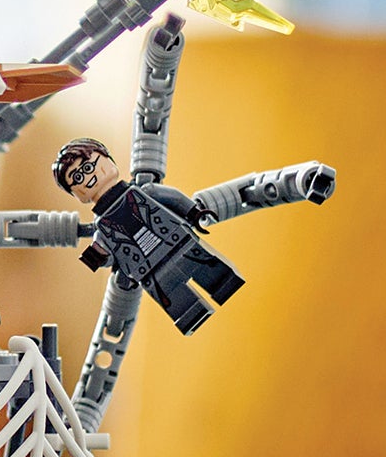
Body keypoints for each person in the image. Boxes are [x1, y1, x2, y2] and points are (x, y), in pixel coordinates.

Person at [54, 137, 244, 336]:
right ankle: (192, 315)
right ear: (76, 194)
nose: (88, 177)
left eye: (88, 167)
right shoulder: (102, 229)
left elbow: (174, 198)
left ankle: (224, 284)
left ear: (108, 160)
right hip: (151, 271)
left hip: (179, 244)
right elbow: (109, 255)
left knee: (214, 274)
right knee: (179, 301)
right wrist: (98, 257)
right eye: (77, 178)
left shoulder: (144, 192)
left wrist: (193, 212)